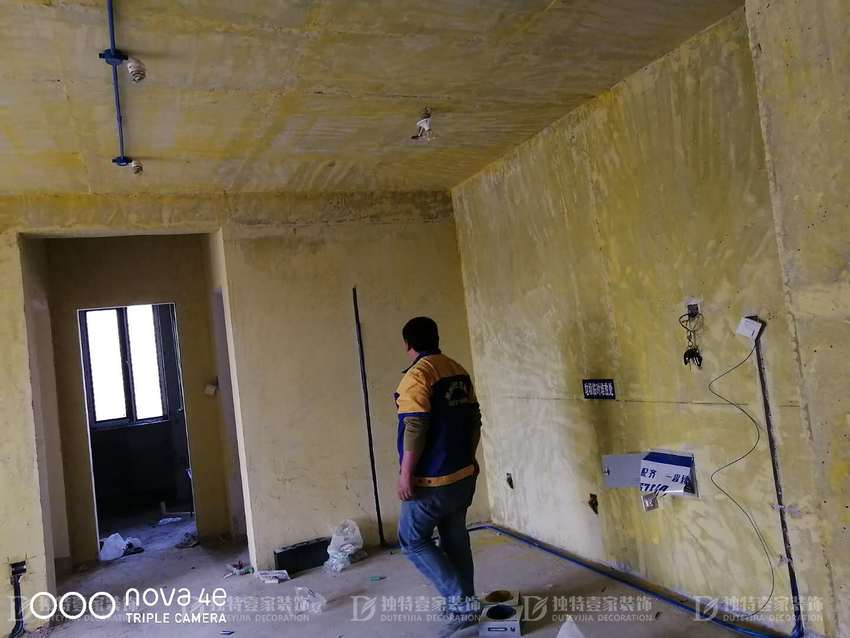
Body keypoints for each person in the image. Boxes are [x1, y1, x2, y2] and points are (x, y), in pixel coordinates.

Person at [394, 316, 482, 637]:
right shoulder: (457, 370)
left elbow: (415, 427)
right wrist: (471, 458)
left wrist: (406, 475)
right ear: (436, 337)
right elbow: (475, 419)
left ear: (408, 344)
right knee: (455, 537)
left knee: (412, 540)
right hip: (462, 475)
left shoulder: (417, 376)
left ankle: (460, 602)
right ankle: (465, 601)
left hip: (432, 481)